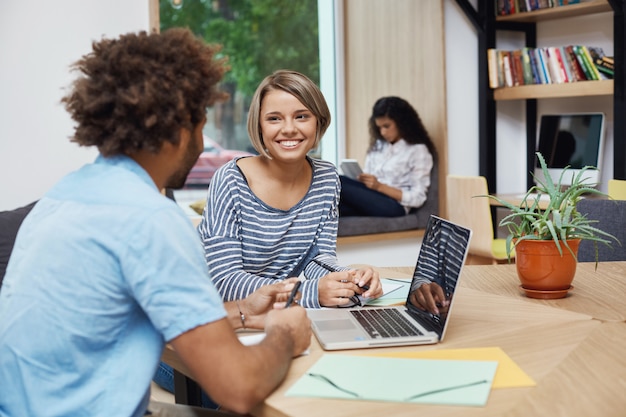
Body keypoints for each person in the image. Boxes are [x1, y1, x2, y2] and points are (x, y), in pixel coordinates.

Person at [0, 28, 311, 417]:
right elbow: (240, 387)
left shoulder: (66, 195)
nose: (202, 141)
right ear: (180, 129)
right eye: (201, 125)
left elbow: (122, 312)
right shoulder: (151, 219)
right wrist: (284, 335)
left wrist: (246, 312)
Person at [198, 70, 383, 308]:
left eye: (301, 116)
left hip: (274, 312)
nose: (288, 129)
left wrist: (350, 279)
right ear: (259, 126)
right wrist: (307, 293)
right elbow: (224, 282)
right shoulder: (230, 180)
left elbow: (318, 258)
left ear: (319, 121)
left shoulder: (326, 178)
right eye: (274, 118)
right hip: (221, 316)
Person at [339, 96, 437, 217]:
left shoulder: (417, 150)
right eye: (379, 127)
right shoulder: (378, 146)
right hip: (371, 198)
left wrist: (379, 186)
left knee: (336, 179)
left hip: (395, 205)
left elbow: (418, 197)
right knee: (335, 207)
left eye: (386, 126)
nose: (382, 132)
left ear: (402, 123)